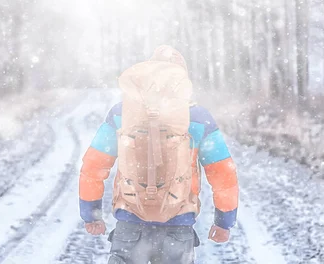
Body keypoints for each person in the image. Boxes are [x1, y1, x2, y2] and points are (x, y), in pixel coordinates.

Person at [79, 46, 239, 264]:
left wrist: (91, 215)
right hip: (178, 227)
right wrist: (223, 222)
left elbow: (92, 166)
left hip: (130, 223)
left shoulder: (121, 113)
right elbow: (223, 175)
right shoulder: (199, 118)